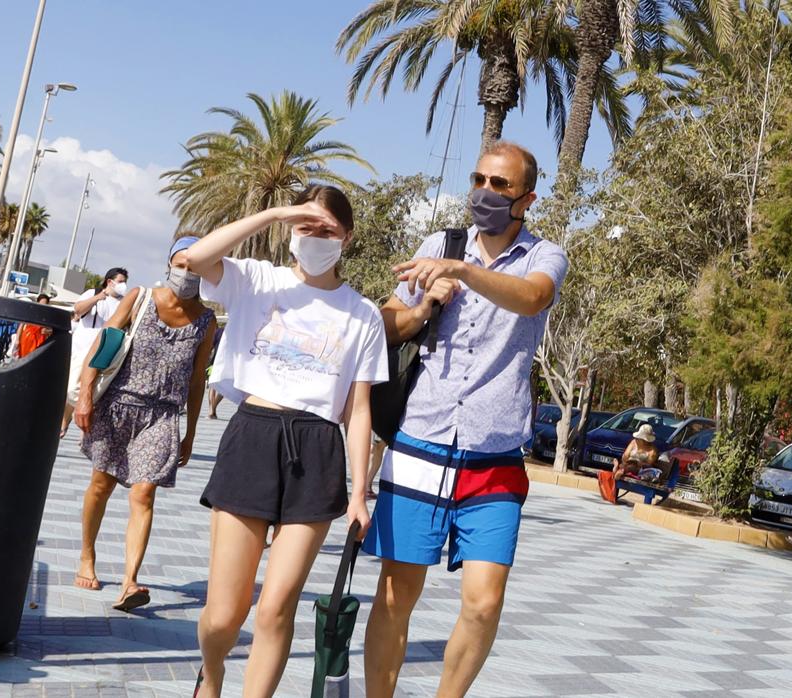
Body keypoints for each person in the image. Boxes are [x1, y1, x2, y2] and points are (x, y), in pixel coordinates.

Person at [361, 141, 567, 698]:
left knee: (484, 602)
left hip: (494, 452)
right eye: (479, 179)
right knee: (395, 594)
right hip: (421, 441)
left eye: (500, 185)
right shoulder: (438, 245)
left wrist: (464, 273)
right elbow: (385, 322)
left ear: (526, 196)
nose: (485, 192)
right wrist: (425, 304)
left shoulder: (543, 256)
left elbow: (532, 298)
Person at [182, 185, 388, 698]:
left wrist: (360, 492)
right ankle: (212, 674)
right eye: (307, 227)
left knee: (276, 606)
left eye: (328, 230)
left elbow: (358, 410)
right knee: (224, 616)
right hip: (253, 436)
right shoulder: (256, 279)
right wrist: (276, 212)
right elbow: (195, 257)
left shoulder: (362, 314)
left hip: (317, 448)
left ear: (348, 237)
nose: (316, 238)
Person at [71, 239, 215, 611]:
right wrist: (85, 394)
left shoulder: (206, 320)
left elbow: (197, 380)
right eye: (181, 264)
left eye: (194, 267)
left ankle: (130, 581)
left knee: (143, 493)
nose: (186, 273)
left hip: (162, 415)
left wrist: (191, 432)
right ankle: (87, 554)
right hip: (119, 405)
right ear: (169, 263)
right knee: (101, 485)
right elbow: (105, 343)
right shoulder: (140, 298)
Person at [62, 268, 129, 435]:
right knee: (72, 388)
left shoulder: (124, 302)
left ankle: (88, 429)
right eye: (120, 281)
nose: (123, 285)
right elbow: (78, 310)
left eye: (125, 281)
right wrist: (98, 297)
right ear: (110, 281)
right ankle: (64, 421)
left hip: (106, 351)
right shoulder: (93, 293)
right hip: (82, 350)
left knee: (97, 390)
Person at [15, 293, 54, 358]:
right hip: (27, 338)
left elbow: (51, 330)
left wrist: (47, 331)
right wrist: (17, 339)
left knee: (36, 359)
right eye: (41, 303)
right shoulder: (31, 312)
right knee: (24, 358)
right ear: (38, 302)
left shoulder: (48, 316)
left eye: (45, 304)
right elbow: (21, 326)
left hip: (40, 341)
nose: (43, 306)